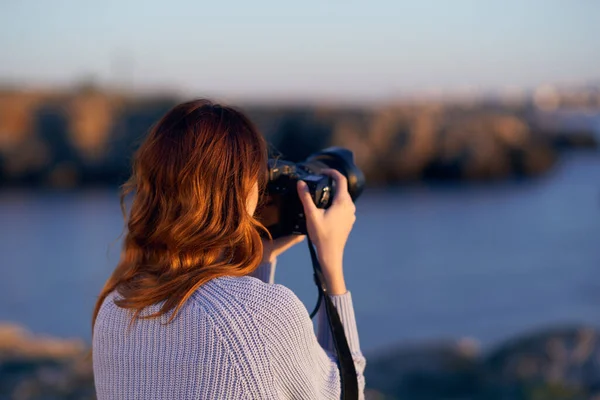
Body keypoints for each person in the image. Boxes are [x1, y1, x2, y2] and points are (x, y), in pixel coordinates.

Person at [92, 99, 366, 399]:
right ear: (243, 191)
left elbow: (251, 378)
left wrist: (260, 259)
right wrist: (331, 261)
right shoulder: (259, 315)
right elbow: (344, 394)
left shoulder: (116, 307)